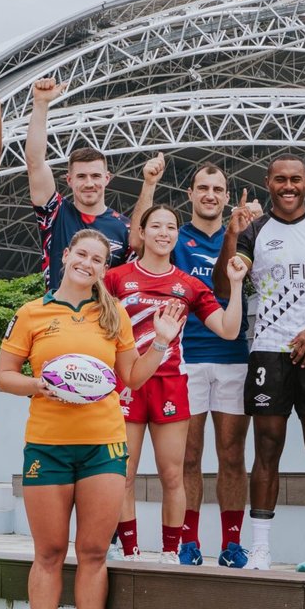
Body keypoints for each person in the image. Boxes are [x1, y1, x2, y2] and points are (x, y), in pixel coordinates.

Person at [0, 229, 182, 609]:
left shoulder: (113, 313)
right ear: (65, 255)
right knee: (49, 552)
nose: (88, 263)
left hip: (104, 445)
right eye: (81, 253)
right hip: (47, 446)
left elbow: (132, 378)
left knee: (94, 552)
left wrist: (160, 342)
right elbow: (4, 377)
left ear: (104, 268)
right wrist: (40, 385)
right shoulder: (32, 313)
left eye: (98, 259)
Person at [215, 156, 305, 573]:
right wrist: (231, 234)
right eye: (281, 179)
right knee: (267, 446)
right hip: (269, 350)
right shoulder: (254, 231)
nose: (289, 186)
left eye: (296, 179)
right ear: (268, 182)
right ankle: (260, 548)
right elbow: (224, 285)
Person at [104, 205, 246, 562]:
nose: (163, 233)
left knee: (172, 476)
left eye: (170, 227)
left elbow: (228, 330)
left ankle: (170, 553)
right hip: (127, 384)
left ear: (176, 235)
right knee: (123, 474)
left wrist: (236, 285)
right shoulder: (116, 278)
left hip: (170, 384)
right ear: (143, 232)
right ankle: (131, 551)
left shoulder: (189, 285)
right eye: (156, 226)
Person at [171, 166, 259, 567]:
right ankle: (188, 542)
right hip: (186, 358)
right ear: (190, 193)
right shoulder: (174, 236)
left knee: (232, 456)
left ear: (226, 197)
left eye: (218, 189)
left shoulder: (243, 236)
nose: (210, 194)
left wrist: (243, 229)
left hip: (233, 357)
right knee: (188, 457)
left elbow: (231, 284)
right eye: (202, 187)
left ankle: (231, 545)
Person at [26, 77, 157, 289]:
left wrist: (149, 184)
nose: (89, 183)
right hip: (59, 308)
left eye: (95, 176)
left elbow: (139, 268)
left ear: (107, 178)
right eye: (81, 176)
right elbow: (35, 163)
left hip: (104, 310)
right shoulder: (55, 214)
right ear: (69, 180)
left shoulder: (124, 228)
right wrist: (41, 104)